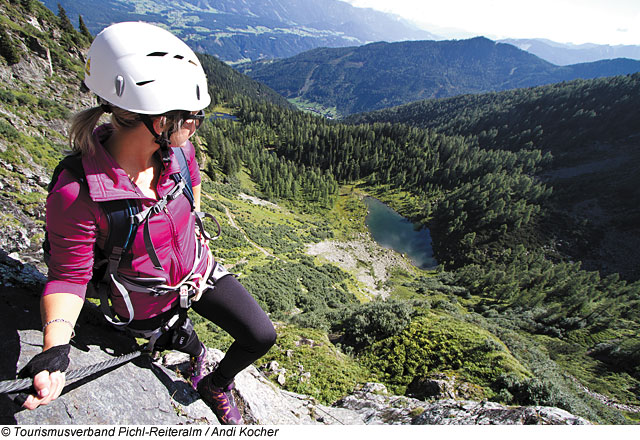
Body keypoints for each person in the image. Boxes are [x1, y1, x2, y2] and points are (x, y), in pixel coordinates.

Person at [19, 21, 276, 425]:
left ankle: (214, 383)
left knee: (261, 335)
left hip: (195, 273)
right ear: (156, 121)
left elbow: (191, 203)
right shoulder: (79, 192)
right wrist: (55, 349)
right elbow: (69, 278)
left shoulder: (181, 154)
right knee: (180, 342)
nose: (197, 122)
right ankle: (190, 354)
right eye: (192, 116)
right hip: (142, 302)